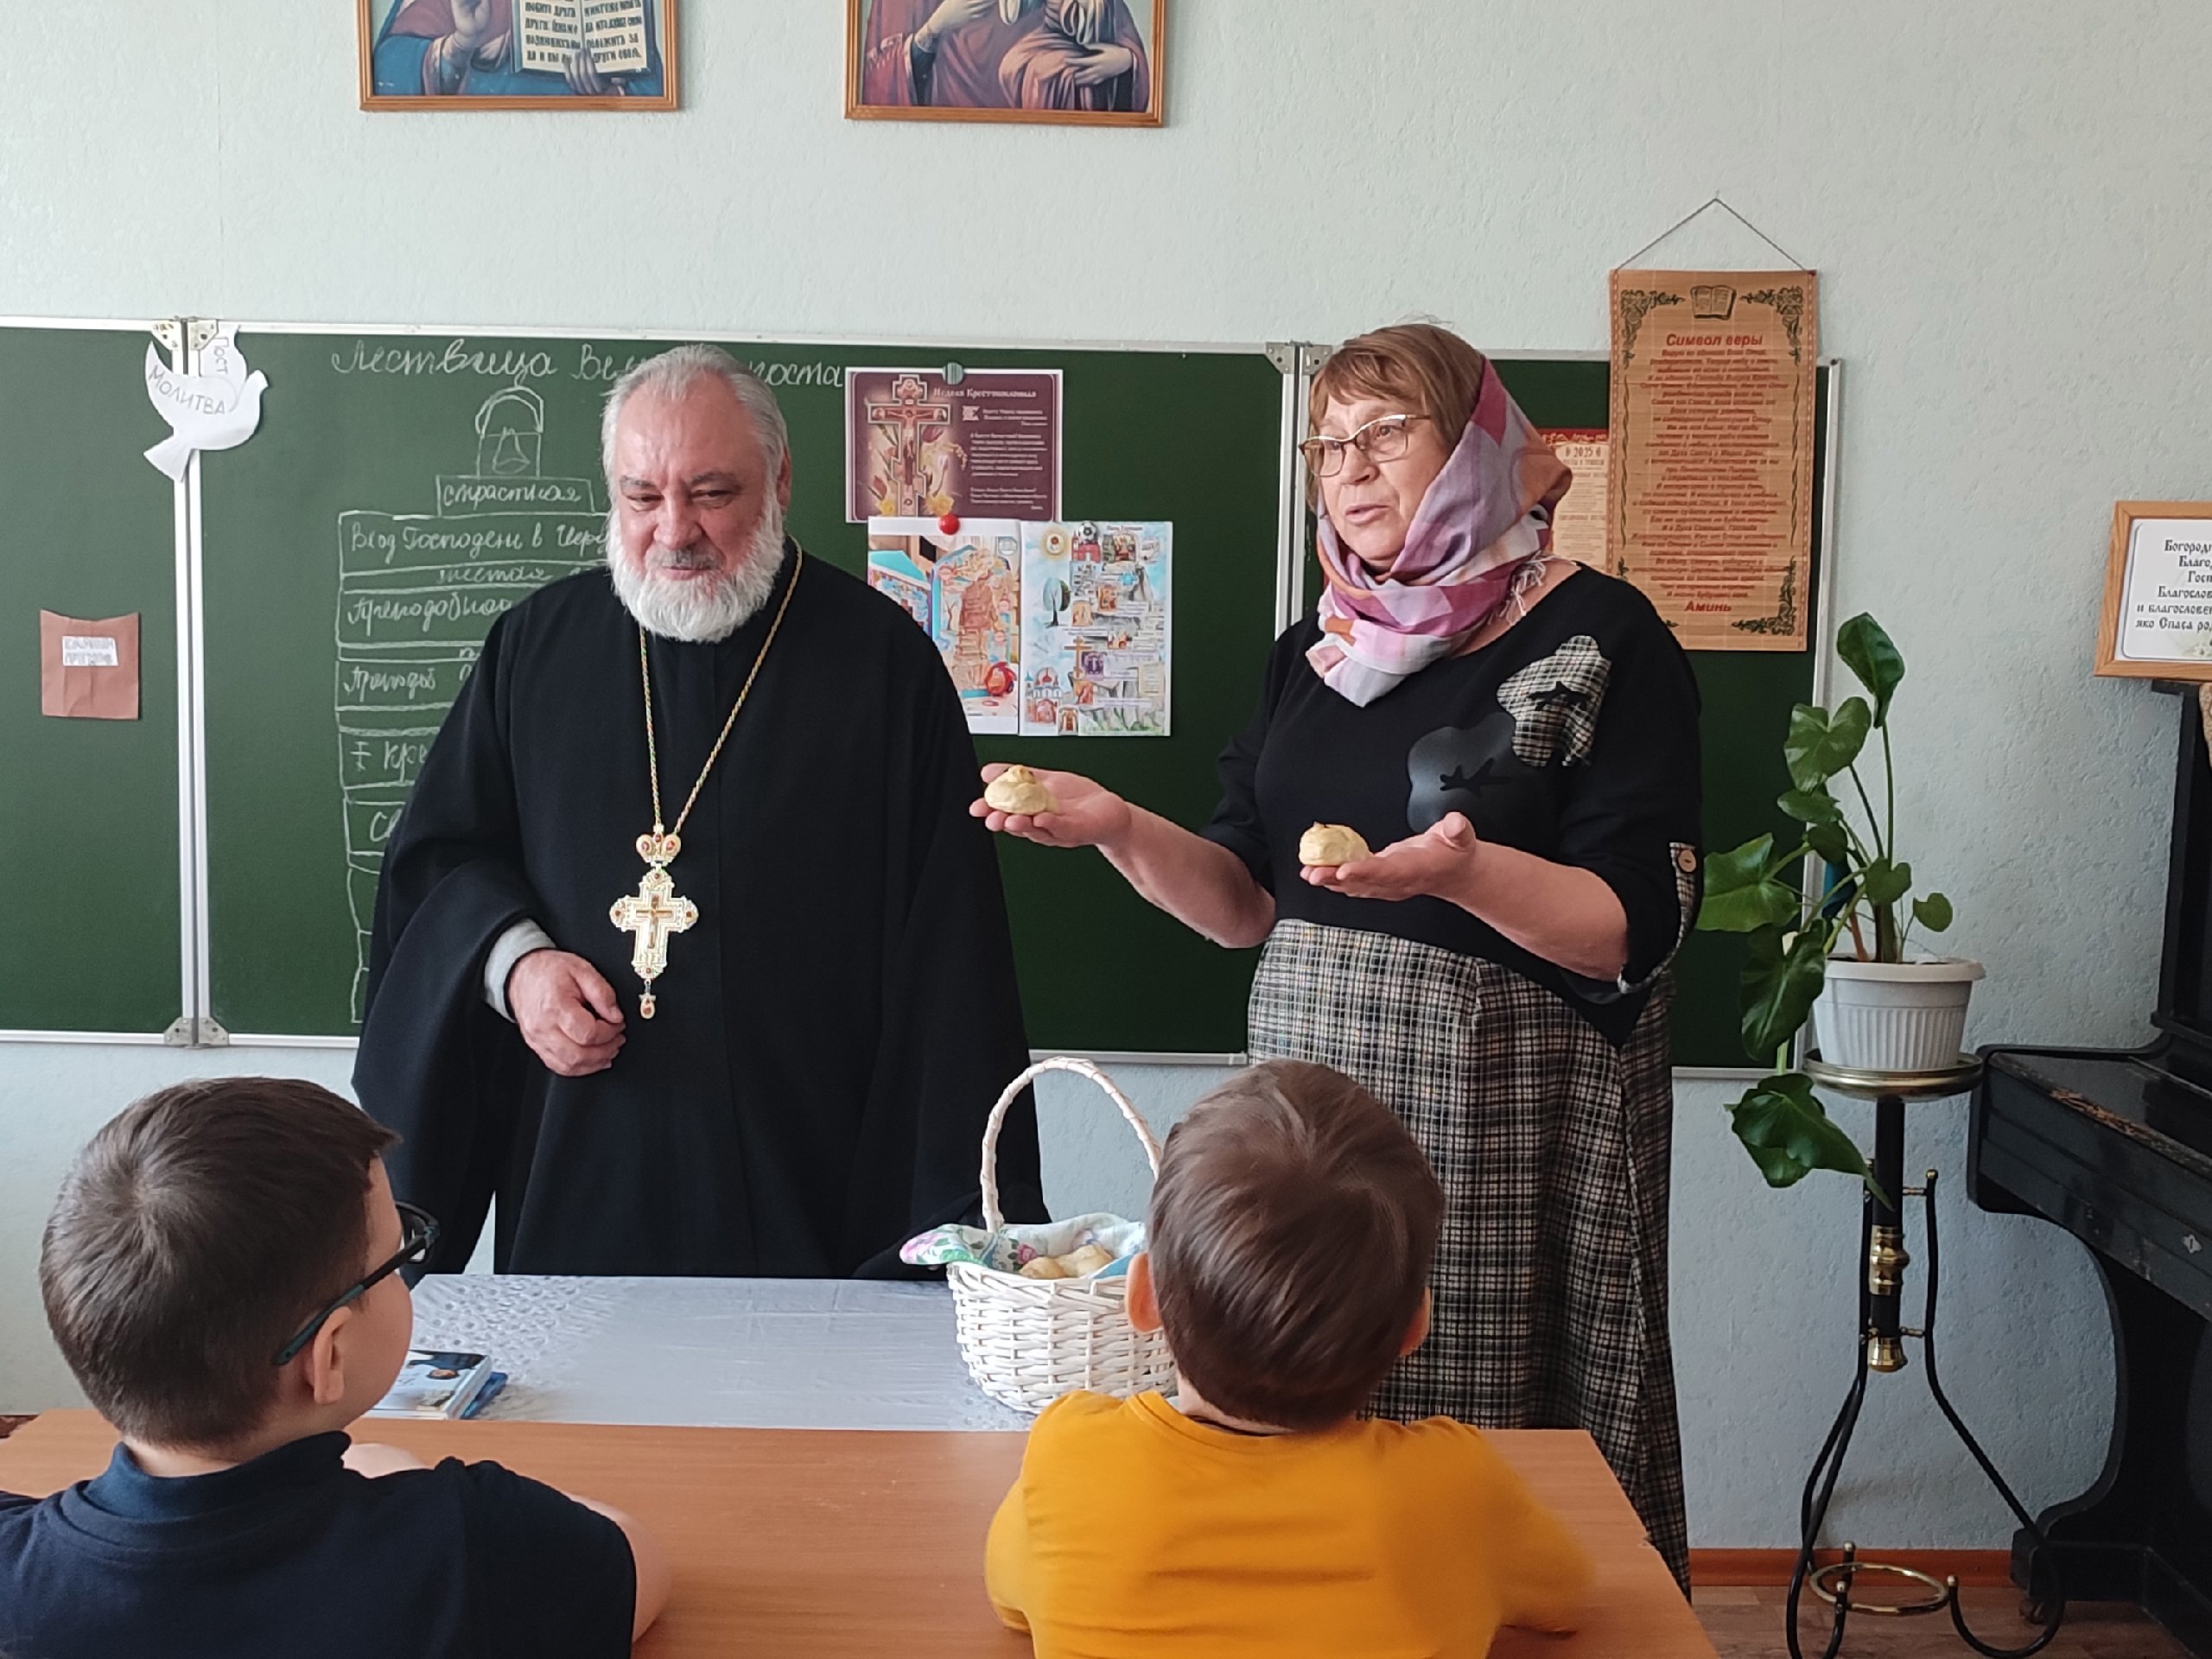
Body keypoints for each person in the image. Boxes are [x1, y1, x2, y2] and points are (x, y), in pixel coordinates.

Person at [976, 322, 1700, 1583]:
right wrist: (1116, 825)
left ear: (1474, 447)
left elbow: (1633, 925)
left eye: (1386, 433)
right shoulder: (1315, 653)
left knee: (1467, 1454)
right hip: (1301, 1121)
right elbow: (1243, 906)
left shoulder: (1601, 637)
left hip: (1496, 1119)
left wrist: (1460, 872)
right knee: (1288, 1429)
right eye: (1328, 444)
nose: (1349, 468)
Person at [358, 344, 1043, 1277]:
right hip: (581, 1171)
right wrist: (516, 969)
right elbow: (438, 864)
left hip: (815, 1178)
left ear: (780, 481)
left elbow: (952, 957)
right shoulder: (536, 651)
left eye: (711, 494)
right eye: (641, 497)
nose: (673, 531)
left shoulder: (882, 668)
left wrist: (949, 1224)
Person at [0, 1078, 670, 1659]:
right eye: (397, 1256)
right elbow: (634, 1559)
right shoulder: (473, 1542)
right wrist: (394, 1472)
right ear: (331, 1355)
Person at [984, 1061, 1592, 1656]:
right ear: (1415, 1324)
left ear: (1142, 1297)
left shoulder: (1070, 1460)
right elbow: (1565, 1599)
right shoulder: (1457, 1488)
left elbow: (1010, 1602)